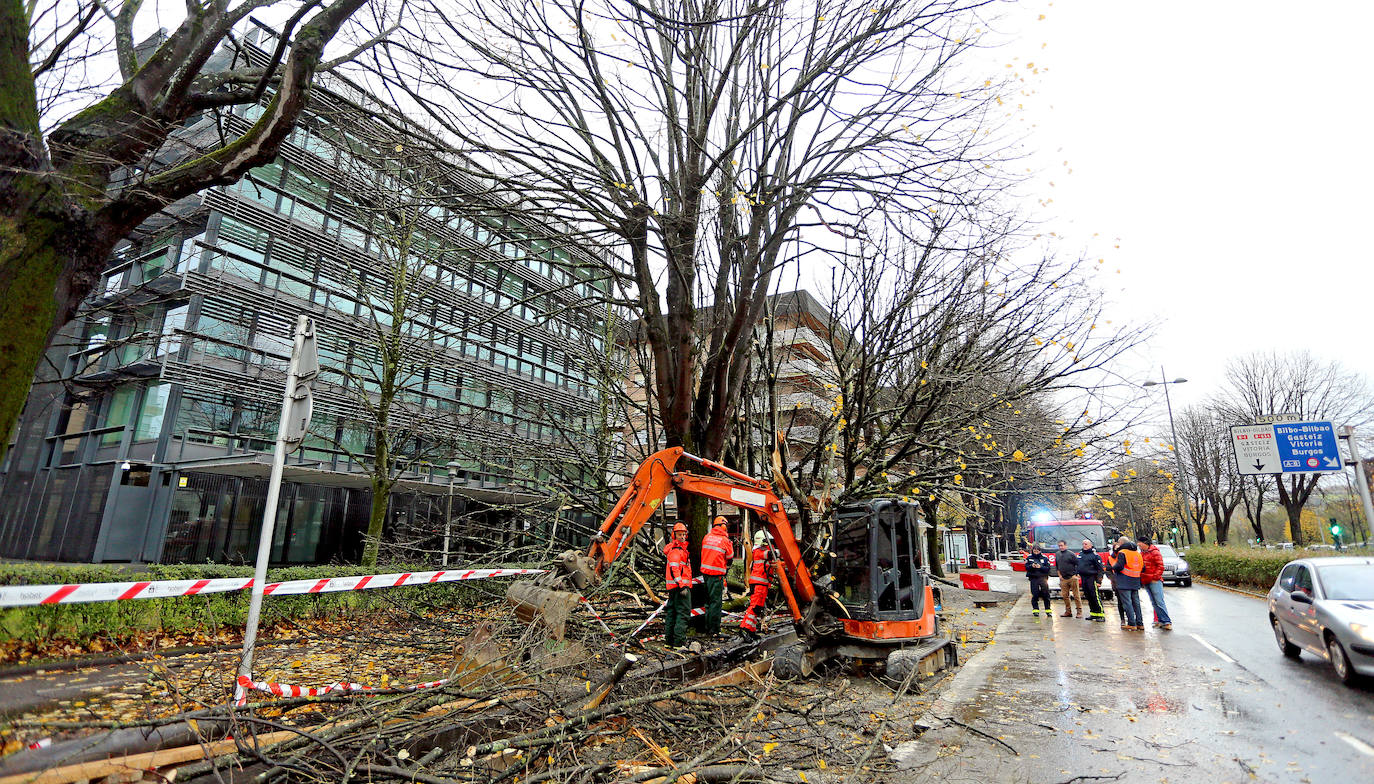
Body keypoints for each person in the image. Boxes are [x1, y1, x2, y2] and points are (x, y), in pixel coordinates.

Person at [699, 516, 735, 636]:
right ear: (723, 526)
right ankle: (714, 630)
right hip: (716, 576)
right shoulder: (725, 540)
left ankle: (707, 627)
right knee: (716, 603)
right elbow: (730, 558)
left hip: (705, 575)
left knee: (708, 603)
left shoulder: (706, 537)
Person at [740, 530, 775, 638]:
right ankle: (744, 628)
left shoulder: (761, 551)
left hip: (762, 584)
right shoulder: (759, 552)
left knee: (758, 608)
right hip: (759, 584)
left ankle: (751, 630)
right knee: (754, 607)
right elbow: (772, 554)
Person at [663, 522, 693, 647]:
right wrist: (682, 585)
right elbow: (674, 569)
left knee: (672, 613)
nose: (682, 537)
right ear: (674, 535)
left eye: (683, 534)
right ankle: (679, 643)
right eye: (679, 534)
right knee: (683, 614)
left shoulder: (677, 550)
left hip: (674, 588)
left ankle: (669, 642)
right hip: (680, 588)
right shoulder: (676, 551)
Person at [1137, 536, 1173, 630]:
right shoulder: (1142, 553)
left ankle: (1166, 621)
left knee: (1159, 601)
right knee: (1154, 602)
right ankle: (1161, 621)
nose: (1139, 546)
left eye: (1140, 544)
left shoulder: (1155, 552)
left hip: (1154, 581)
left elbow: (1160, 566)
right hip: (1146, 580)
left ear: (1145, 543)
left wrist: (1155, 578)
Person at [1109, 536, 1144, 630]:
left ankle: (1132, 623)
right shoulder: (1137, 553)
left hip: (1124, 581)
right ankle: (1140, 623)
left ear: (1121, 543)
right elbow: (1142, 567)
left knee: (1127, 603)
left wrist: (1112, 567)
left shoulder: (1122, 553)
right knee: (1136, 603)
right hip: (1135, 580)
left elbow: (1119, 566)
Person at [1075, 539, 1106, 622]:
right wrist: (1077, 572)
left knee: (1094, 596)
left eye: (1086, 544)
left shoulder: (1095, 555)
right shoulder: (1080, 554)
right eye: (1083, 544)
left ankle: (1101, 615)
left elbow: (1100, 569)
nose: (1084, 545)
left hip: (1092, 578)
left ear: (1090, 545)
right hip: (1084, 578)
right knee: (1088, 596)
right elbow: (1078, 565)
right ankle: (1093, 613)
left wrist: (1099, 581)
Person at [1053, 540, 1081, 617]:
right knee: (1065, 596)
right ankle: (1068, 611)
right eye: (1059, 546)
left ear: (1066, 546)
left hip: (1072, 577)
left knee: (1076, 596)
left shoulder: (1071, 554)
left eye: (1062, 545)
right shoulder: (1057, 554)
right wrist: (1059, 575)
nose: (1060, 547)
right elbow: (1057, 566)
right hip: (1063, 578)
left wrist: (1076, 575)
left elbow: (1078, 564)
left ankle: (1079, 612)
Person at [1024, 544, 1053, 615]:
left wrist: (1040, 567)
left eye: (1037, 551)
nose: (1036, 552)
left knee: (1046, 594)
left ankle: (1048, 610)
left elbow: (1048, 569)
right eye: (1035, 551)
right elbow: (1026, 567)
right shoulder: (1029, 557)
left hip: (1043, 578)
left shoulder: (1045, 558)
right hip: (1033, 578)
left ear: (1040, 551)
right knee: (1035, 594)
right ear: (1032, 550)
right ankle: (1035, 610)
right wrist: (1032, 566)